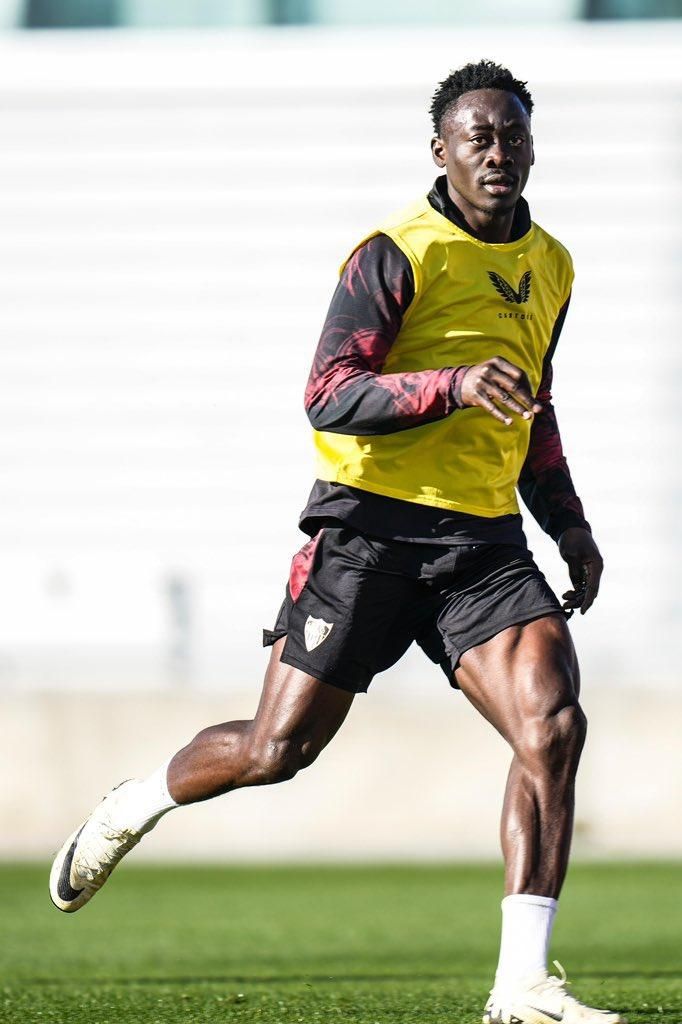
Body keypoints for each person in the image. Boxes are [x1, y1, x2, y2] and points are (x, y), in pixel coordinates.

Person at [50, 60, 623, 1024]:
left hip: (482, 546)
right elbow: (328, 394)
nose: (497, 151)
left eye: (513, 134)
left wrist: (569, 524)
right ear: (440, 149)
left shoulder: (553, 264)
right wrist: (448, 383)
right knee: (277, 750)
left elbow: (539, 407)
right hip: (368, 531)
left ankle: (522, 984)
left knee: (551, 729)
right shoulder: (394, 254)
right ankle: (133, 802)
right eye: (477, 136)